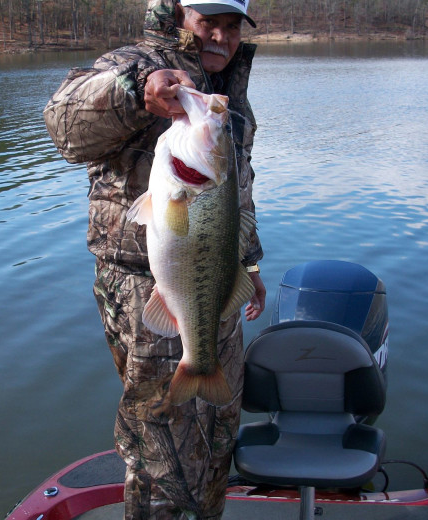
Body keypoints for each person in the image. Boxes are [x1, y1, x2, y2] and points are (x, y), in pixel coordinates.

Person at [43, 0, 264, 518]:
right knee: (163, 448)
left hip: (214, 284)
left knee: (216, 432)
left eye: (232, 26)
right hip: (149, 288)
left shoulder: (227, 88)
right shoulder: (131, 65)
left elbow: (236, 192)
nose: (220, 36)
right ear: (178, 14)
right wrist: (134, 93)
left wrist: (248, 266)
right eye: (207, 21)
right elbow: (63, 124)